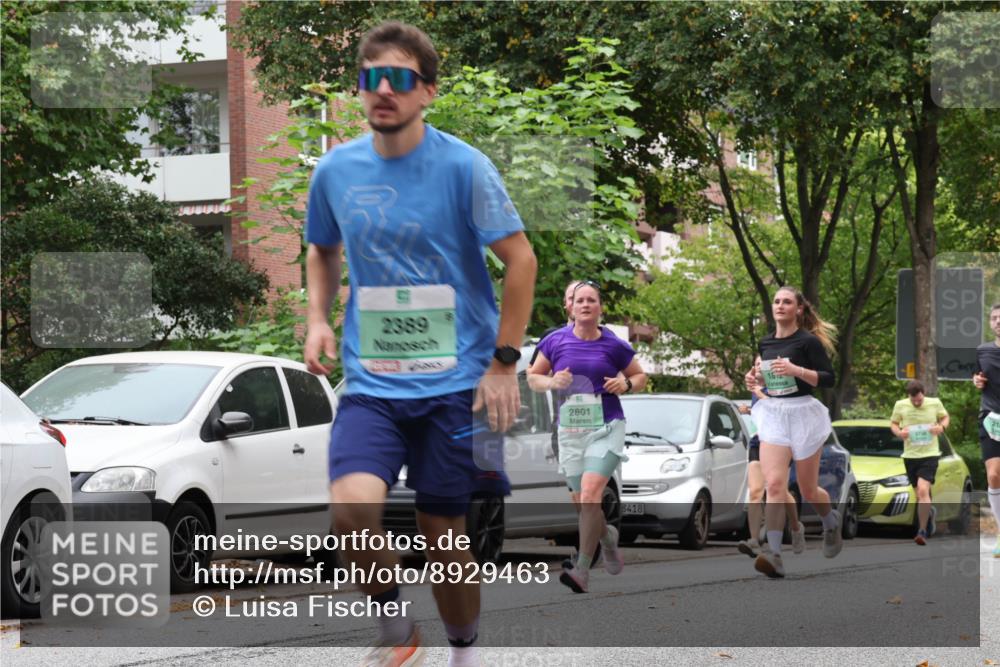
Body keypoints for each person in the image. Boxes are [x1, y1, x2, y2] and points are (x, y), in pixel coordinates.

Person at [303, 21, 537, 667]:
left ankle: (463, 651)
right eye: (369, 77)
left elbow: (521, 261)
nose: (383, 90)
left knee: (444, 539)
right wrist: (318, 316)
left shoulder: (464, 167)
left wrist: (503, 363)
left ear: (427, 90)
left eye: (399, 78)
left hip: (454, 385)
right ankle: (397, 626)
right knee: (351, 511)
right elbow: (321, 249)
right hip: (372, 385)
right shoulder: (335, 170)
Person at [528, 280, 647, 592]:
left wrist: (627, 385)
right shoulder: (554, 341)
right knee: (584, 504)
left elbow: (640, 374)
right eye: (579, 300)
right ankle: (607, 537)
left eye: (591, 300)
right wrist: (552, 382)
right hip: (570, 431)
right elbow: (533, 377)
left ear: (600, 308)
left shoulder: (614, 345)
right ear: (570, 306)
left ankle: (581, 569)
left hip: (607, 425)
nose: (584, 305)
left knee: (592, 494)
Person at [744, 286, 841, 578]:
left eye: (787, 302)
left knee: (809, 490)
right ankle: (774, 555)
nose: (780, 305)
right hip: (774, 413)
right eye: (776, 301)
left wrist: (796, 370)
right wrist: (755, 378)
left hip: (803, 414)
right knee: (774, 485)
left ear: (799, 309)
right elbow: (765, 376)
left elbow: (828, 378)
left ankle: (830, 522)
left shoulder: (808, 342)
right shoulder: (765, 343)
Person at [736, 389, 806, 559]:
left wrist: (759, 393)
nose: (758, 366)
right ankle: (754, 541)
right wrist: (750, 410)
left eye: (761, 362)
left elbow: (782, 410)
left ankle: (796, 528)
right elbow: (765, 414)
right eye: (756, 363)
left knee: (779, 491)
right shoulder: (755, 389)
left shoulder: (781, 385)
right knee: (755, 492)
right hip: (757, 443)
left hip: (780, 444)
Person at [890, 380, 950, 545]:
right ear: (908, 396)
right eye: (913, 400)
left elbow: (945, 418)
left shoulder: (934, 403)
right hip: (910, 455)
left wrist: (941, 428)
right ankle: (929, 514)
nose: (916, 402)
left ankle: (921, 531)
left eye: (919, 400)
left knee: (923, 490)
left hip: (930, 454)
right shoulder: (900, 405)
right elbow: (894, 424)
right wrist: (899, 433)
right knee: (920, 495)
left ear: (923, 393)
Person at [973, 302, 1000, 558]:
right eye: (994, 318)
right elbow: (977, 376)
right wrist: (977, 381)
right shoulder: (982, 350)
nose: (998, 321)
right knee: (993, 476)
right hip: (991, 418)